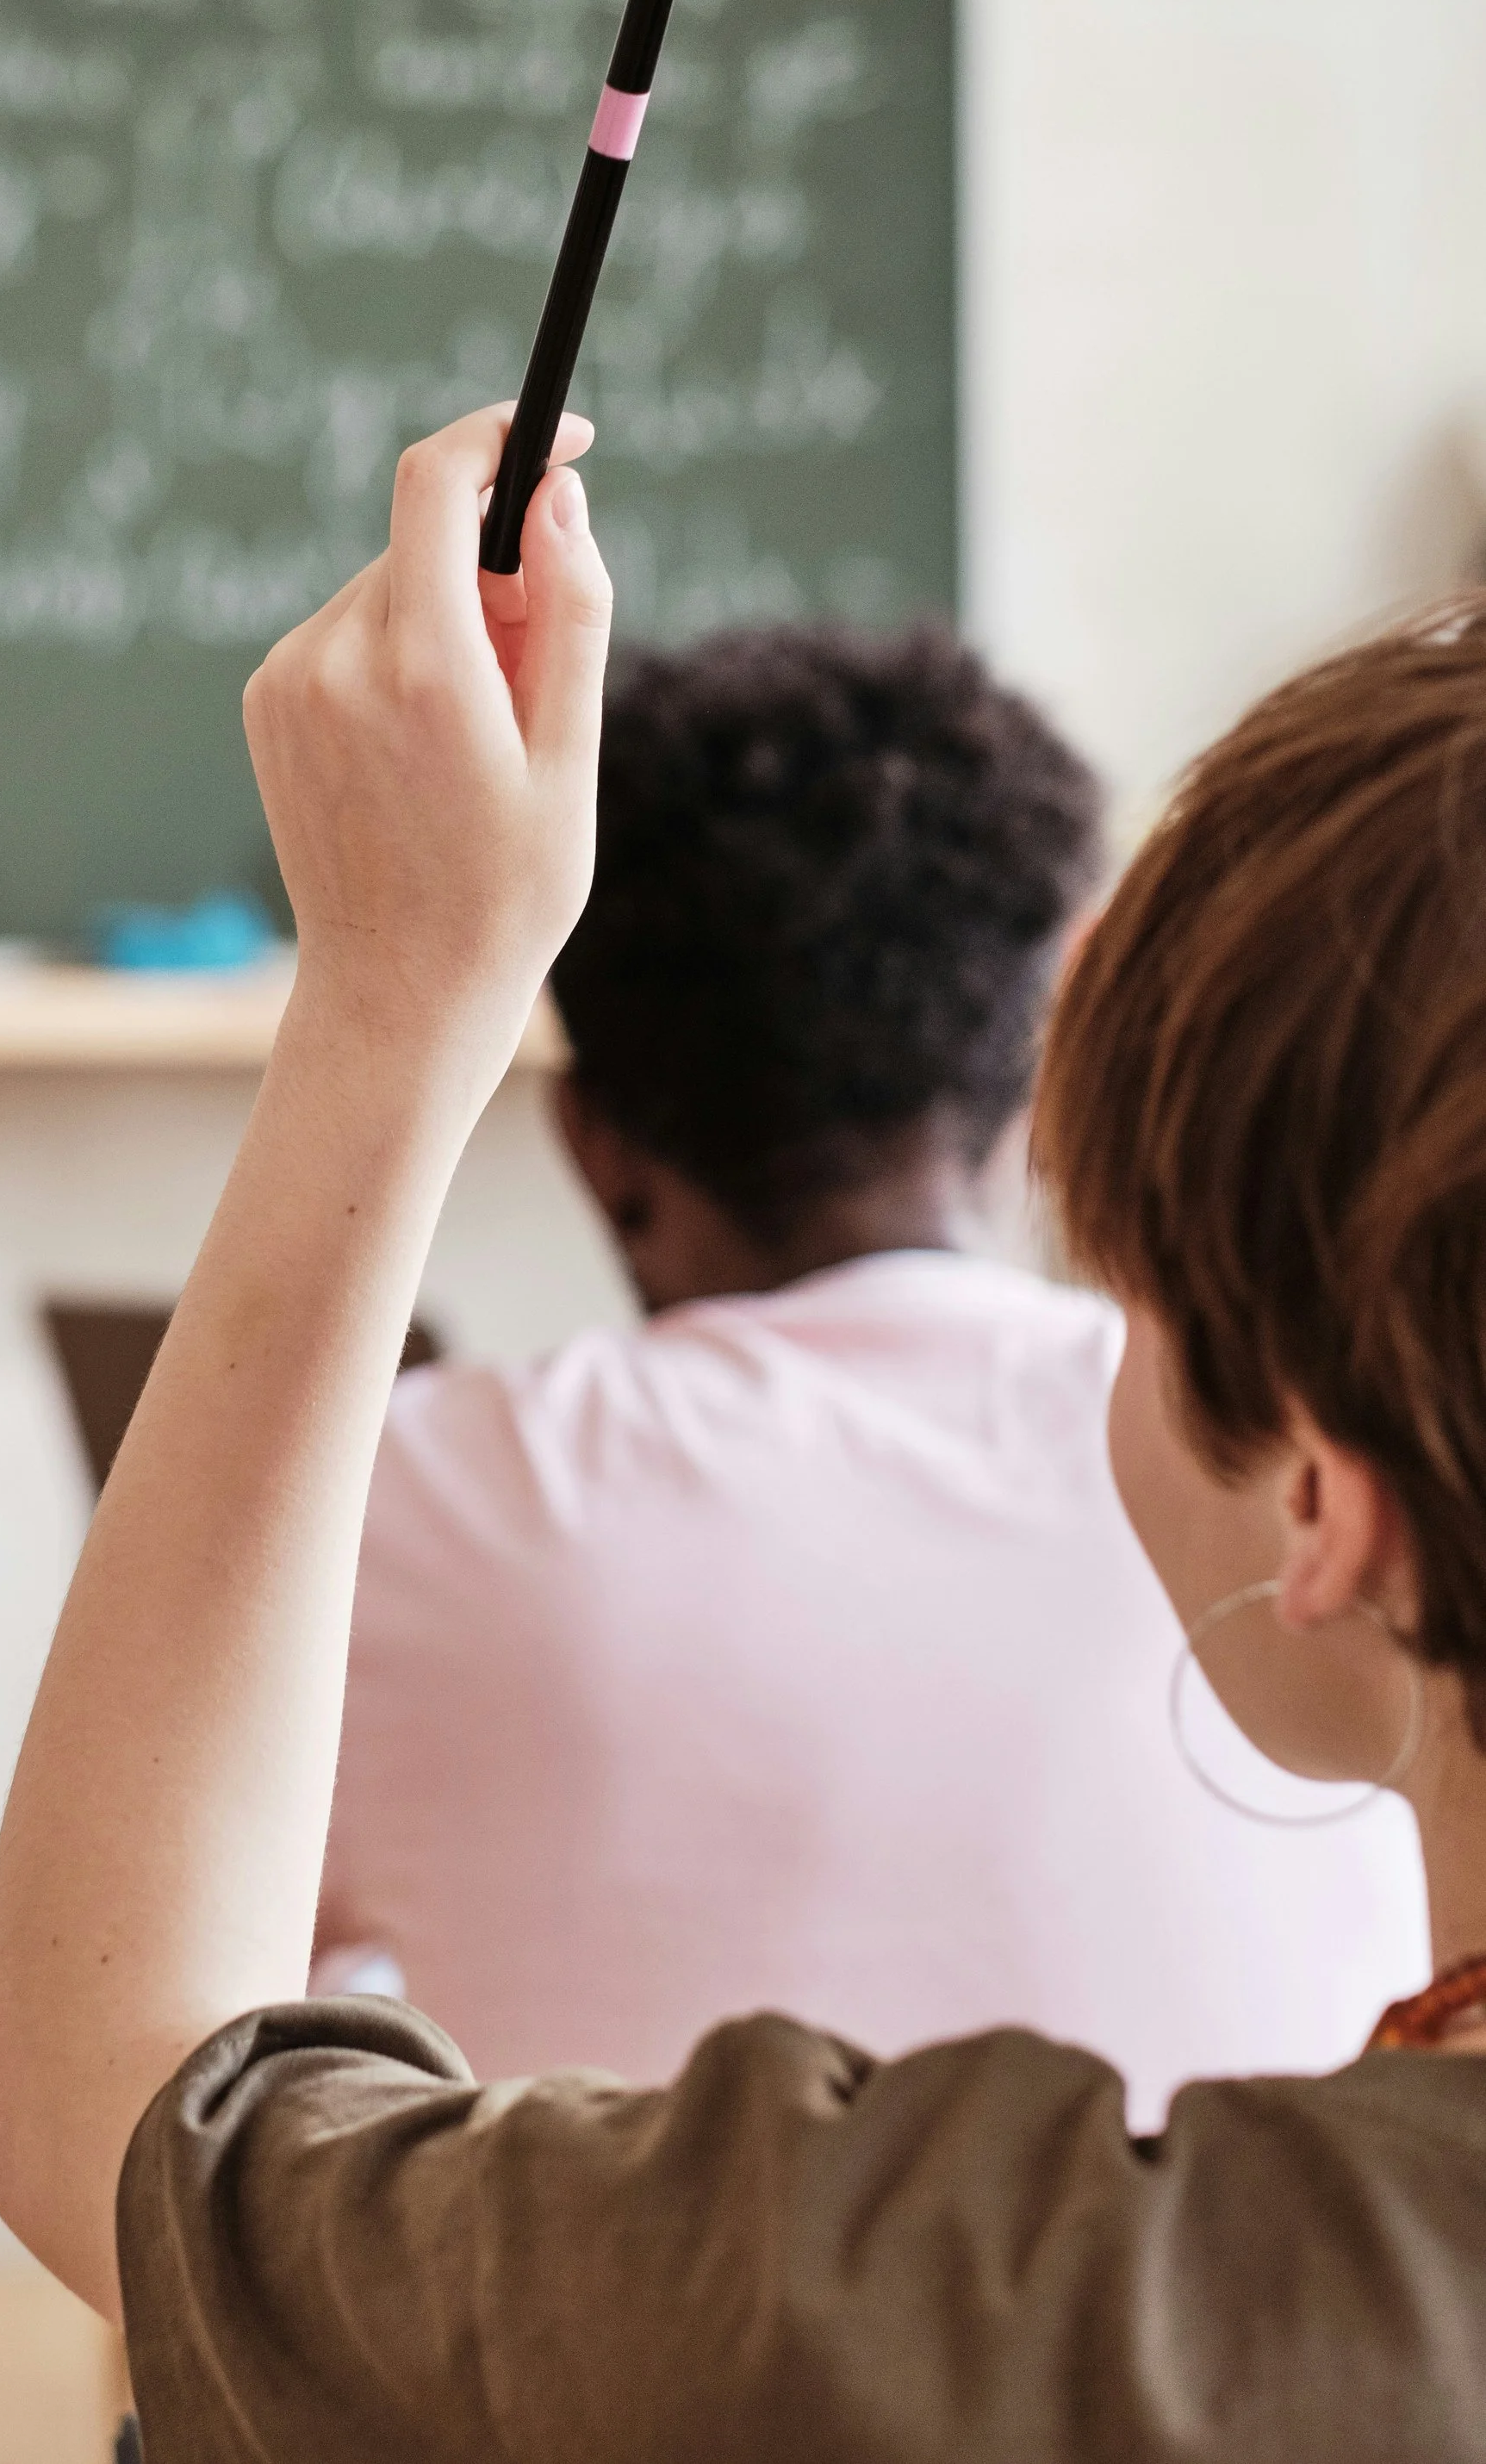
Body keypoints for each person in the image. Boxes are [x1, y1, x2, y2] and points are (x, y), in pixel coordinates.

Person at [0, 406, 1486, 2459]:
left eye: (1125, 1288)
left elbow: (127, 2125)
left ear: (1320, 1496)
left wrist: (393, 998)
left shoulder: (985, 2297)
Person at [314, 625, 1424, 2109]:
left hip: (636, 2332)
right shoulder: (1271, 1442)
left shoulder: (400, 1496)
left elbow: (173, 2038)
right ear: (1035, 1080)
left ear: (601, 1151)